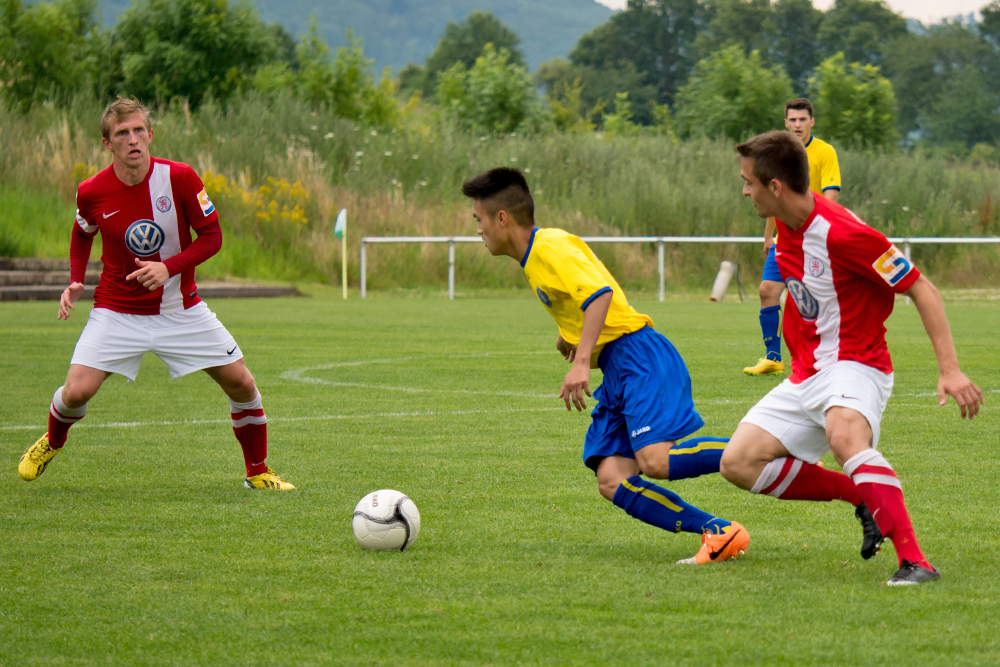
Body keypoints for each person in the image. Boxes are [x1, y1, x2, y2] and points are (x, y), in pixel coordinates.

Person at [722, 131, 983, 585]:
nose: (745, 191)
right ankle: (862, 497)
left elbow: (922, 287)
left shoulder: (844, 233)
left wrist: (951, 370)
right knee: (738, 463)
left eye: (749, 182)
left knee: (845, 438)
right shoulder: (784, 222)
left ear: (776, 186)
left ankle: (915, 562)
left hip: (855, 363)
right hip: (807, 371)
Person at [462, 167, 749, 565]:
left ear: (502, 218)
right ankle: (718, 530)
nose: (477, 229)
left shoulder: (548, 247)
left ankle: (760, 449)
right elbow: (588, 295)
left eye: (478, 220)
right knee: (612, 479)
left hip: (638, 356)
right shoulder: (535, 255)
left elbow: (599, 295)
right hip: (619, 365)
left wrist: (581, 362)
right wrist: (572, 336)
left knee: (655, 460)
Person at [18, 97, 295, 491]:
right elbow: (83, 232)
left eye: (138, 130)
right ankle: (53, 440)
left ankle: (258, 471)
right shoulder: (91, 191)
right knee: (76, 391)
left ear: (150, 135)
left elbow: (213, 236)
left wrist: (170, 267)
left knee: (242, 384)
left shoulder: (180, 178)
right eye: (121, 133)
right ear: (107, 144)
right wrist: (76, 278)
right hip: (116, 311)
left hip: (180, 308)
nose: (132, 139)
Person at [744, 98, 841, 376]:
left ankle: (826, 354)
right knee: (767, 291)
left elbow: (831, 195)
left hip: (813, 235)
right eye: (792, 120)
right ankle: (773, 357)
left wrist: (820, 228)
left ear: (812, 122)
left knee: (815, 297)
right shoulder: (779, 155)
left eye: (802, 119)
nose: (797, 124)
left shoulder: (825, 152)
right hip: (783, 237)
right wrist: (768, 236)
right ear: (785, 122)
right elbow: (771, 198)